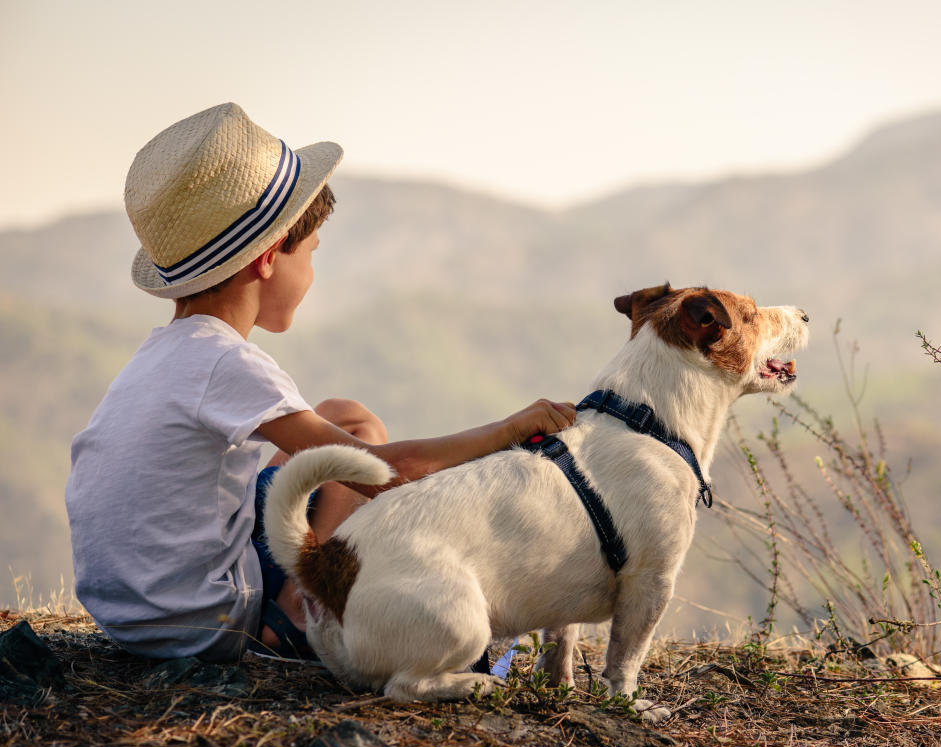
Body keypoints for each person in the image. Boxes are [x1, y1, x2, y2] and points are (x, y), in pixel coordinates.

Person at [65, 103, 575, 663]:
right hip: (204, 619)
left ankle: (297, 596)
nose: (311, 273)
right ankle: (296, 615)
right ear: (266, 259)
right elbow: (387, 473)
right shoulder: (227, 362)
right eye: (309, 253)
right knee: (361, 458)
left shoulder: (162, 354)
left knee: (346, 417)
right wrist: (508, 430)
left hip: (132, 613)